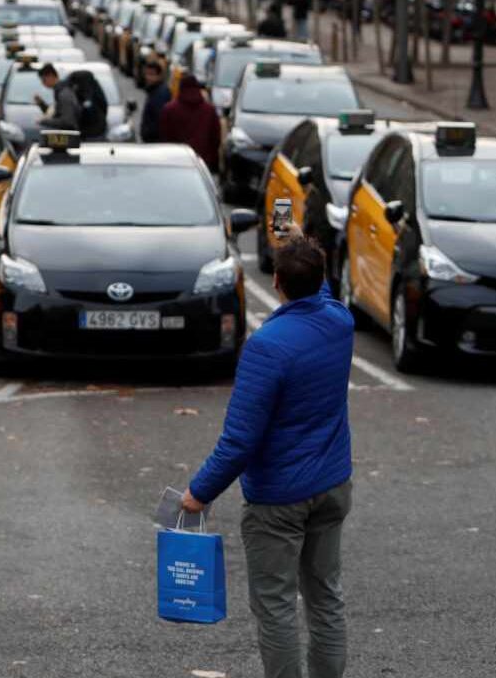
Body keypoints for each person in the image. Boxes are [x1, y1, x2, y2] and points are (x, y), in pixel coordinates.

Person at [181, 234, 354, 678]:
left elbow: (240, 440)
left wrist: (199, 492)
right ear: (320, 279)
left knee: (276, 606)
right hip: (332, 486)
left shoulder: (267, 346)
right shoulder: (340, 321)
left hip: (278, 500)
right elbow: (319, 286)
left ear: (275, 281)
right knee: (325, 597)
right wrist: (294, 238)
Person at [159, 74, 222, 172]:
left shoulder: (169, 110)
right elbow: (215, 138)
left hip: (175, 161)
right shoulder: (209, 110)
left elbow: (164, 136)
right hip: (202, 162)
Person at [34, 63, 80, 132]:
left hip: (71, 138)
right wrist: (41, 104)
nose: (43, 83)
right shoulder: (59, 91)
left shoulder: (64, 94)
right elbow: (56, 114)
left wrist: (43, 121)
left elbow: (67, 122)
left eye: (44, 80)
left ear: (51, 76)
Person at [138, 59, 171, 143]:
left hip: (155, 143)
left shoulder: (160, 94)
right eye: (147, 74)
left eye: (152, 74)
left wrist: (149, 134)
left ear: (159, 76)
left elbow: (160, 120)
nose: (148, 77)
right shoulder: (153, 91)